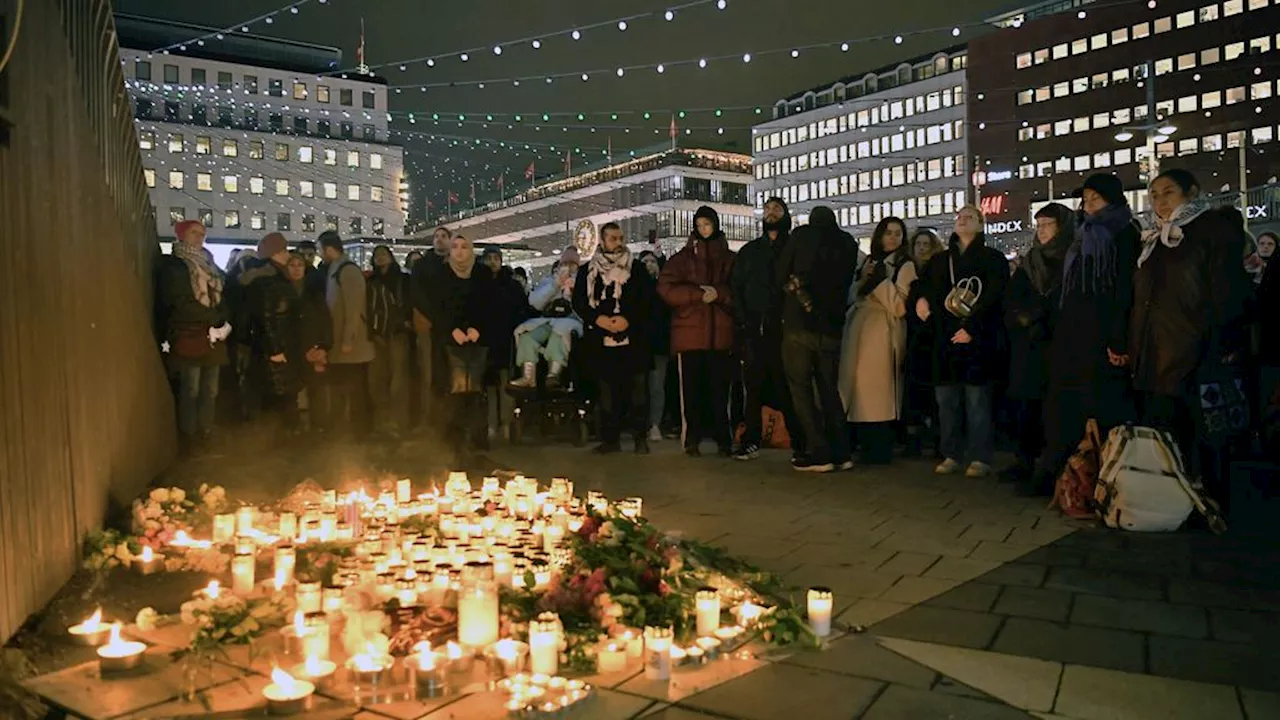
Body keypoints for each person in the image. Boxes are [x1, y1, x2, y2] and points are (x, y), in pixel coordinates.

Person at [1131, 169, 1251, 503]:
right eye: (1154, 194)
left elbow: (1227, 290)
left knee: (1206, 433)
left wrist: (1223, 341)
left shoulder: (1209, 231)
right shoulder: (1156, 238)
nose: (1159, 201)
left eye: (1168, 192)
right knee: (1168, 431)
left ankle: (1212, 500)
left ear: (1191, 192)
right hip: (1157, 351)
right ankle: (1176, 497)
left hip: (1197, 350)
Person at [915, 205, 1009, 477]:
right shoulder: (941, 260)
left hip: (977, 338)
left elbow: (995, 298)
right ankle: (951, 452)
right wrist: (920, 301)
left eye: (970, 217)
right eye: (959, 217)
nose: (962, 220)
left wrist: (974, 329)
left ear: (980, 225)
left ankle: (980, 455)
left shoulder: (993, 259)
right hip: (945, 337)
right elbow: (923, 287)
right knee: (946, 400)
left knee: (977, 399)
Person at [775, 206, 857, 472]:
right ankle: (842, 451)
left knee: (801, 389)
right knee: (829, 389)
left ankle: (818, 450)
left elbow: (780, 274)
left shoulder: (800, 237)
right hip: (832, 327)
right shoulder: (847, 242)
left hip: (800, 323)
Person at [1001, 203, 1074, 489]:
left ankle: (1050, 467)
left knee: (1052, 407)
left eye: (1048, 224)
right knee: (1026, 405)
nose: (1042, 230)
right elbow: (1012, 297)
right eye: (1039, 224)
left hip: (1058, 345)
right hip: (1027, 344)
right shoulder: (1030, 261)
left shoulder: (1072, 256)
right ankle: (1025, 461)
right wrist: (1023, 317)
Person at [658, 206, 736, 457]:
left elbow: (741, 289)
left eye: (707, 224)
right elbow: (667, 288)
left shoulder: (729, 258)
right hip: (690, 336)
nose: (704, 229)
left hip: (721, 335)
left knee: (720, 391)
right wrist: (699, 295)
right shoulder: (682, 259)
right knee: (691, 392)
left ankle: (724, 438)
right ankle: (692, 438)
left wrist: (719, 294)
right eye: (700, 225)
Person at [839, 216, 917, 465]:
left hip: (883, 331)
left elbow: (900, 306)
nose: (893, 237)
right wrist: (865, 280)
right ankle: (859, 440)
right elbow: (853, 294)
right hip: (858, 327)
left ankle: (879, 445)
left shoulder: (906, 265)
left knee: (878, 391)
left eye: (897, 233)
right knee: (857, 387)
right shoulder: (870, 261)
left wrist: (881, 282)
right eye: (888, 232)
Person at [574, 223, 656, 454]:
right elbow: (580, 302)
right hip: (601, 340)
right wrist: (598, 319)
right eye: (613, 238)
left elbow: (646, 300)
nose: (618, 243)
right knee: (607, 392)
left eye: (620, 238)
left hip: (633, 341)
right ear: (602, 241)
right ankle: (610, 439)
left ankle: (640, 437)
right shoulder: (588, 271)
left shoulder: (636, 269)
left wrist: (628, 319)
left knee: (638, 391)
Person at [731, 197, 803, 461]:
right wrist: (743, 322)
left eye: (777, 209)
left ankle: (800, 442)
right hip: (755, 329)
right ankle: (751, 439)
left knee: (789, 386)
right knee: (753, 388)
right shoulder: (750, 252)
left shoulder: (793, 249)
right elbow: (737, 288)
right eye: (768, 209)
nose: (771, 213)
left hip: (785, 329)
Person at [159, 220, 231, 454]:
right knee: (191, 389)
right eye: (194, 233)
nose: (199, 237)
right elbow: (177, 300)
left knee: (210, 389)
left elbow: (222, 296)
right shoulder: (176, 265)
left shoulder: (210, 265)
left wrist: (221, 317)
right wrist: (212, 316)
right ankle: (189, 437)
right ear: (182, 236)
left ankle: (206, 432)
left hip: (213, 335)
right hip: (190, 332)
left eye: (202, 233)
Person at [434, 235, 495, 465]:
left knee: (476, 390)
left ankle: (477, 440)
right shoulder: (442, 275)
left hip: (478, 339)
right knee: (453, 392)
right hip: (450, 341)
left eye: (464, 247)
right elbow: (438, 308)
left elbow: (489, 305)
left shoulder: (482, 274)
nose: (459, 252)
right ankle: (453, 441)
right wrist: (452, 331)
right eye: (455, 247)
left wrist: (477, 328)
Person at [243, 232, 302, 431]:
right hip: (277, 348)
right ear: (274, 253)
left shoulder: (275, 278)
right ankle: (285, 440)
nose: (288, 254)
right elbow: (265, 317)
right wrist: (275, 349)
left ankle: (286, 437)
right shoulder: (268, 280)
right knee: (282, 396)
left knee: (285, 395)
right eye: (284, 250)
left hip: (282, 345)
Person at [319, 231, 375, 435]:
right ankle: (346, 431)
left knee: (356, 390)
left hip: (353, 345)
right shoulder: (336, 269)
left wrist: (348, 339)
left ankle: (360, 432)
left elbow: (354, 307)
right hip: (342, 343)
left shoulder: (348, 270)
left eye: (321, 250)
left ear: (328, 249)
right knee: (344, 387)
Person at [510, 248, 582, 389]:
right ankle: (528, 376)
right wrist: (555, 285)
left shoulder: (583, 281)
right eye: (565, 263)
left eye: (572, 264)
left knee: (560, 332)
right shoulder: (549, 281)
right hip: (547, 320)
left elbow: (584, 306)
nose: (568, 267)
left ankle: (554, 374)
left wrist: (573, 290)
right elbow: (535, 302)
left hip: (570, 321)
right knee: (526, 334)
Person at [482, 247, 533, 437]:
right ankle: (490, 425)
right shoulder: (479, 283)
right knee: (489, 386)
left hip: (506, 340)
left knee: (506, 384)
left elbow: (522, 310)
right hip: (484, 340)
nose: (493, 262)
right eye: (489, 258)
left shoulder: (512, 285)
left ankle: (505, 424)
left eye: (496, 258)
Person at [903, 229, 945, 457]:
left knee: (932, 389)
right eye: (918, 243)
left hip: (932, 335)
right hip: (914, 335)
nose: (921, 248)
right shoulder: (909, 270)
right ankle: (916, 438)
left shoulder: (937, 271)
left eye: (926, 244)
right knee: (915, 390)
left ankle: (937, 438)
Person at [367, 245, 412, 435]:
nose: (380, 258)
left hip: (398, 334)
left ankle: (399, 421)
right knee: (377, 379)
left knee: (398, 379)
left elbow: (410, 302)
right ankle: (382, 419)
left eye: (384, 254)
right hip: (377, 335)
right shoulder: (371, 281)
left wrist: (406, 323)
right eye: (377, 255)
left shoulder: (403, 280)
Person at [410, 226, 452, 429]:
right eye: (437, 236)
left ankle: (448, 419)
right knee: (427, 371)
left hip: (451, 327)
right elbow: (417, 293)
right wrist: (429, 316)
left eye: (444, 236)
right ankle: (428, 419)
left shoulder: (455, 263)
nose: (440, 240)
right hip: (429, 323)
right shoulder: (422, 266)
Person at [285, 252, 332, 431]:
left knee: (316, 390)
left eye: (300, 265)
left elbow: (325, 321)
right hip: (289, 349)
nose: (296, 269)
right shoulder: (281, 291)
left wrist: (323, 346)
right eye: (292, 265)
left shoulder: (314, 293)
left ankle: (319, 427)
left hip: (312, 348)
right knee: (290, 393)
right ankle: (292, 428)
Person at [639, 250, 671, 441]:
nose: (649, 264)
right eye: (645, 261)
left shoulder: (663, 287)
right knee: (639, 386)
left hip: (659, 344)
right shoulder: (635, 286)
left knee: (657, 386)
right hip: (639, 344)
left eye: (652, 261)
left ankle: (654, 424)